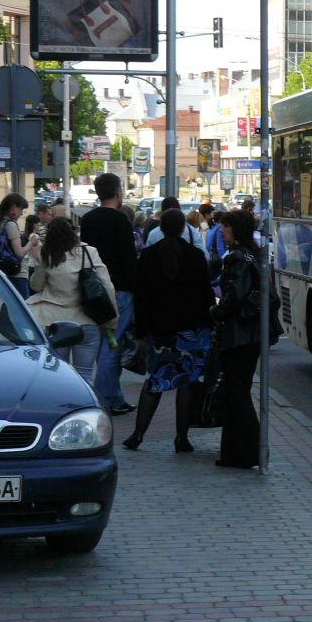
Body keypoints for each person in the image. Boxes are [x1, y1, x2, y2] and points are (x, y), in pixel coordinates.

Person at [122, 209, 215, 453]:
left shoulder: (150, 256)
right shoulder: (195, 256)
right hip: (190, 331)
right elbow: (206, 296)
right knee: (187, 382)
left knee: (154, 381)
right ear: (184, 228)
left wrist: (141, 331)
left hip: (159, 332)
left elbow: (140, 298)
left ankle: (138, 434)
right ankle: (181, 438)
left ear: (160, 228)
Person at [25, 217, 116, 388]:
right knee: (85, 375)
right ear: (73, 232)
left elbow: (36, 286)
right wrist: (111, 322)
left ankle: (61, 412)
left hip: (57, 324)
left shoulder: (48, 254)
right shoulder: (90, 252)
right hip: (87, 322)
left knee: (58, 375)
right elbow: (107, 286)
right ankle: (85, 410)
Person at [79, 172, 139, 415]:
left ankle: (113, 396)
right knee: (111, 347)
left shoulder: (89, 219)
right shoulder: (121, 221)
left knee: (106, 341)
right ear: (117, 192)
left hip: (94, 294)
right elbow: (128, 259)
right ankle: (107, 399)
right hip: (119, 294)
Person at [210, 210, 264, 469]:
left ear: (235, 229)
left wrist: (215, 312)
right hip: (250, 334)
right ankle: (234, 453)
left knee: (237, 392)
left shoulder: (237, 258)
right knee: (235, 392)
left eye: (225, 227)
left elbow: (234, 296)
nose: (221, 231)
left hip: (238, 335)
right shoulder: (253, 253)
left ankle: (251, 450)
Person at [0, 193, 32, 299]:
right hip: (17, 274)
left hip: (5, 271)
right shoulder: (11, 224)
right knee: (22, 309)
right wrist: (31, 243)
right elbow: (19, 253)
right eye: (21, 210)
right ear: (14, 208)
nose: (21, 214)